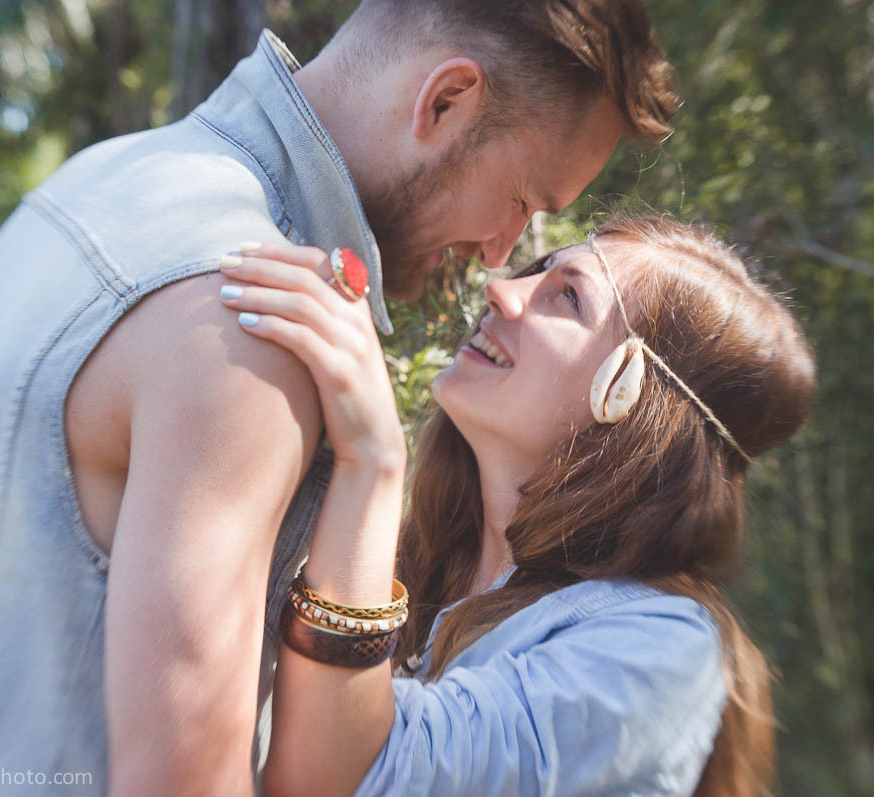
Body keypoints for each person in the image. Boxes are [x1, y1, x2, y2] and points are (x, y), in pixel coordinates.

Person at [0, 2, 678, 794]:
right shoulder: (253, 321)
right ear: (444, 102)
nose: (502, 257)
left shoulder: (102, 179)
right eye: (523, 201)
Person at [217, 215, 817, 795]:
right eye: (538, 271)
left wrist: (372, 463)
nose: (501, 291)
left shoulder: (660, 649)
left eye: (567, 298)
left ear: (629, 397)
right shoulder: (404, 567)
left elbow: (351, 780)